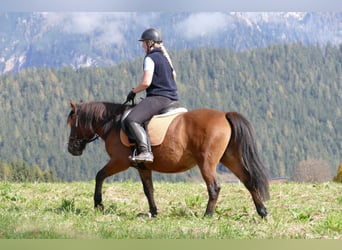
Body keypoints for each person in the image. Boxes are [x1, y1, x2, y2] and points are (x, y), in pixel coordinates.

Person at [124, 28, 178, 163]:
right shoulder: (165, 58)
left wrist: (133, 91)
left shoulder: (150, 58)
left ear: (150, 43)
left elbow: (146, 82)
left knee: (131, 119)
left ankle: (146, 152)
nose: (142, 46)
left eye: (143, 43)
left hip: (158, 98)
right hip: (171, 98)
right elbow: (172, 77)